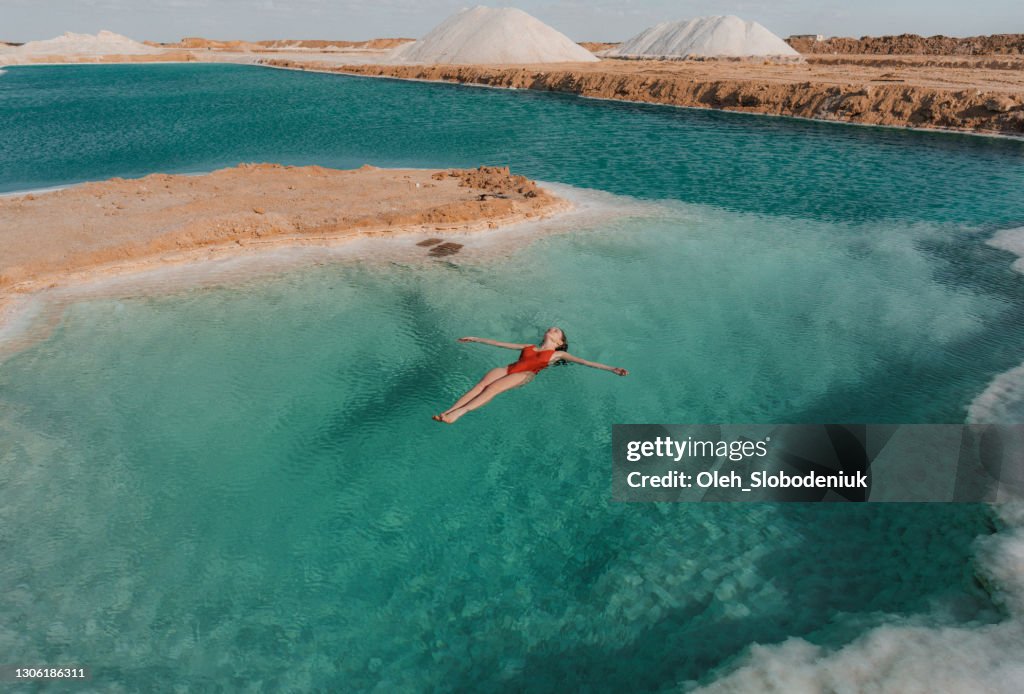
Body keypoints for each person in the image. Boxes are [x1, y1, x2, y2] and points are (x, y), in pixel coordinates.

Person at [433, 327, 628, 424]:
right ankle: (448, 411)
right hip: (510, 368)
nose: (552, 329)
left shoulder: (558, 354)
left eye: (557, 331)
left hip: (525, 374)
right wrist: (475, 339)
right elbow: (500, 343)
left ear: (560, 342)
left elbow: (586, 362)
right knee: (479, 386)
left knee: (492, 389)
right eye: (551, 328)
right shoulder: (530, 347)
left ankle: (459, 413)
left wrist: (612, 369)